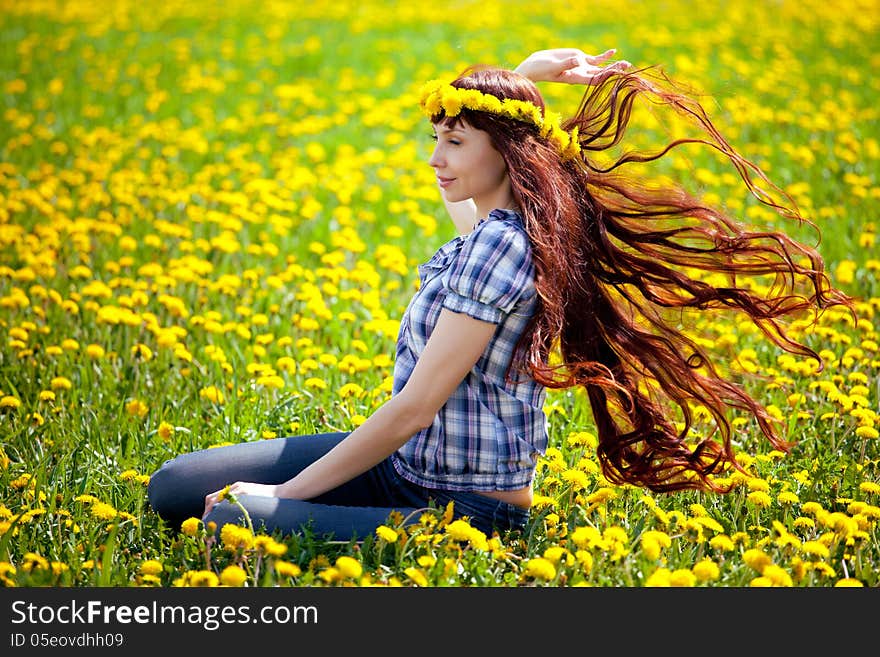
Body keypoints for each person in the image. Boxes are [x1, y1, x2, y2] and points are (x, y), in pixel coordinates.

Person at [147, 47, 850, 542]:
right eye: (436, 137)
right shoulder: (506, 227)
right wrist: (520, 78)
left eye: (453, 142)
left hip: (464, 511)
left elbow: (414, 407)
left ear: (506, 151)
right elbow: (493, 147)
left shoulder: (503, 246)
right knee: (174, 486)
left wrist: (280, 497)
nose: (435, 158)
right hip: (403, 472)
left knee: (226, 520)